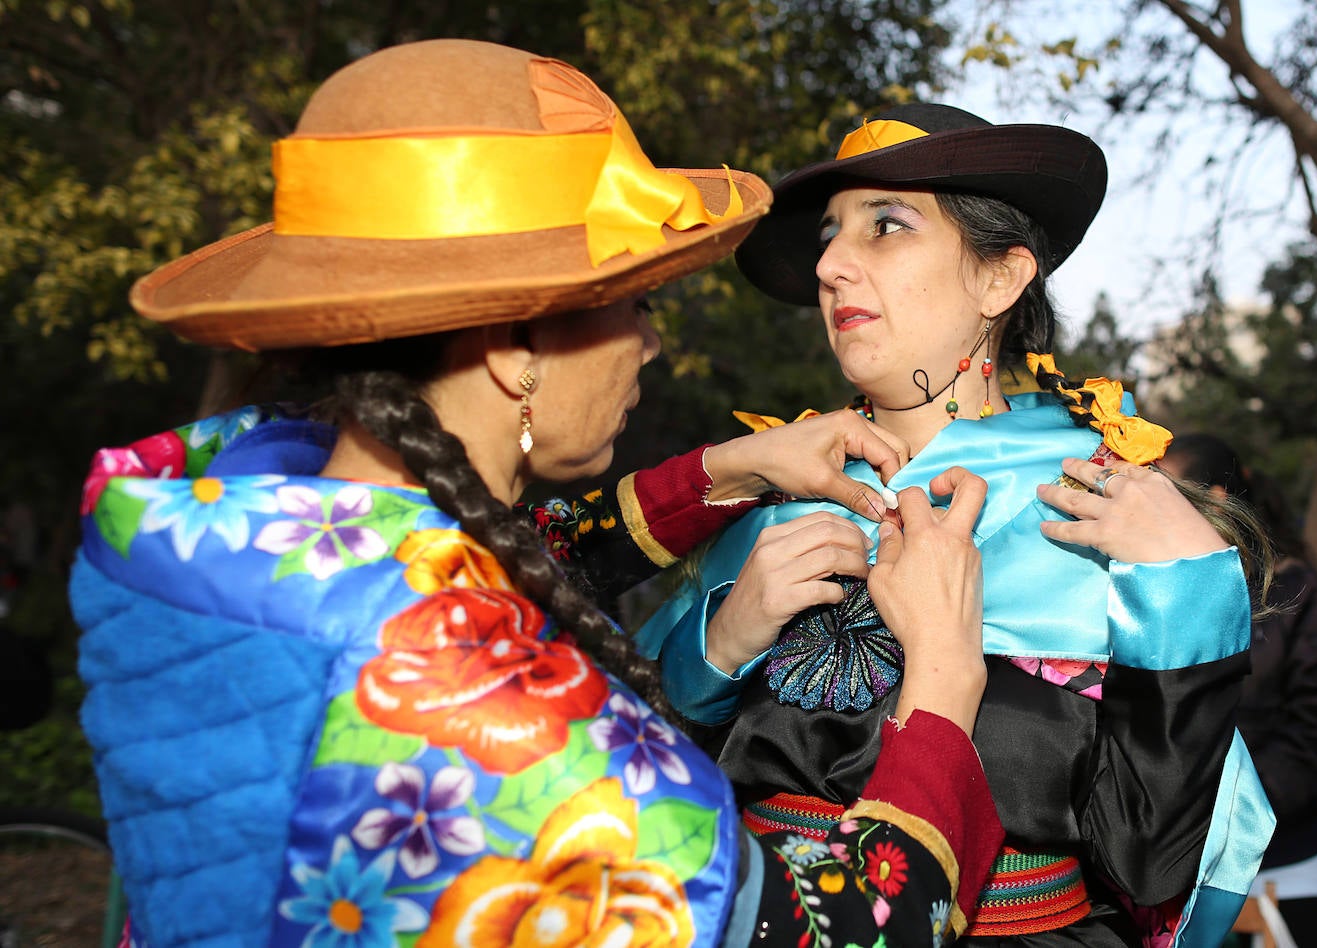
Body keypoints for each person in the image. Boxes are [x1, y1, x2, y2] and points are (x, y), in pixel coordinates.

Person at [71, 40, 1006, 948]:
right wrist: (940, 690)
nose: (649, 344)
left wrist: (733, 470)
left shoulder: (257, 508)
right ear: (513, 350)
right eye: (634, 302)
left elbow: (504, 557)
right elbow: (837, 934)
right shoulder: (485, 722)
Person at [638, 103, 1276, 948]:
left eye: (886, 226)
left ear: (1000, 279)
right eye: (830, 235)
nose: (829, 265)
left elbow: (1154, 867)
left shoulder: (1108, 511)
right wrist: (717, 646)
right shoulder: (771, 493)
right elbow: (623, 781)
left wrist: (1189, 592)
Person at [1157, 433, 1317, 948]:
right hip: (1173, 875)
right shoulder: (1155, 590)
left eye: (1167, 492)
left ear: (1215, 501)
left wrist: (1231, 817)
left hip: (1283, 867)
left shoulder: (1288, 592)